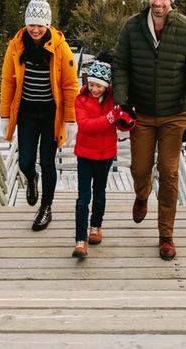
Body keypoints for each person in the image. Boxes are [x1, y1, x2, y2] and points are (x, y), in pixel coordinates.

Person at [111, 0, 186, 261]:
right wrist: (122, 104)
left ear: (171, 0)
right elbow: (121, 65)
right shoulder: (132, 27)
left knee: (169, 172)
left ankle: (166, 235)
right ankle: (142, 195)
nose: (157, 2)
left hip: (174, 116)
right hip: (141, 114)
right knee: (139, 169)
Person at [0, 0, 78, 231]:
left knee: (47, 162)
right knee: (25, 161)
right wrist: (5, 114)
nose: (35, 30)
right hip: (26, 113)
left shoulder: (60, 47)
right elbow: (7, 81)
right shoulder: (16, 45)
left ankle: (46, 208)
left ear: (48, 24)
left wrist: (70, 119)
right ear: (26, 24)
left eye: (40, 25)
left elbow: (70, 84)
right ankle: (31, 178)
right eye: (32, 25)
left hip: (50, 115)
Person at [70, 53, 126, 258]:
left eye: (99, 86)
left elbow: (123, 125)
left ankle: (96, 226)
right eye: (92, 84)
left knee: (100, 193)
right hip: (85, 155)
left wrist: (127, 120)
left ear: (107, 86)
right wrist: (110, 117)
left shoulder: (114, 100)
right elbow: (86, 125)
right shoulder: (81, 100)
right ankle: (80, 240)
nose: (94, 89)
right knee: (83, 197)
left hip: (105, 155)